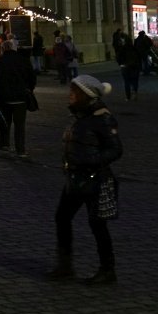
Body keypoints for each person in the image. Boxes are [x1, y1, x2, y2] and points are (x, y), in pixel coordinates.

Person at [46, 75, 123, 285]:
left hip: (96, 179)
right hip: (75, 179)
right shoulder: (80, 116)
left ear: (85, 95)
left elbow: (116, 149)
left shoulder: (102, 118)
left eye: (74, 91)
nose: (70, 95)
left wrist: (91, 160)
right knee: (62, 217)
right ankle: (65, 266)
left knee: (97, 225)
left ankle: (108, 270)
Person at [0, 39, 36, 156]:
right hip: (20, 98)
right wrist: (28, 89)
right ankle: (20, 149)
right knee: (20, 125)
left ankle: (5, 145)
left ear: (3, 49)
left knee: (5, 123)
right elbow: (32, 78)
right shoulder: (23, 61)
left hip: (3, 98)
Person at [115, 31, 142, 101]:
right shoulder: (133, 48)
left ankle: (128, 96)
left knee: (127, 81)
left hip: (127, 66)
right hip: (133, 66)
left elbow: (118, 57)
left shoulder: (122, 48)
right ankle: (133, 92)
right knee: (133, 81)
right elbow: (138, 56)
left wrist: (120, 64)